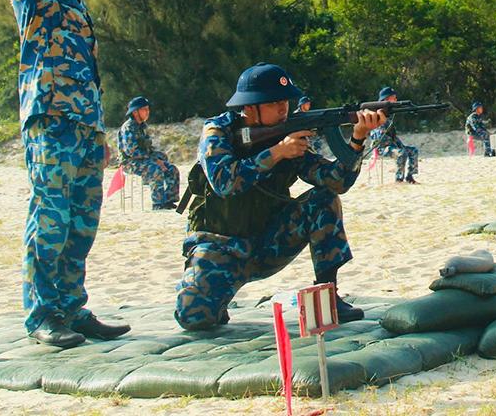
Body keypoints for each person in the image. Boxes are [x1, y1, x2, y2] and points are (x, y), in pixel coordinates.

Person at [9, 0, 128, 348]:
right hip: (51, 119)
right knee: (51, 217)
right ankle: (42, 317)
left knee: (81, 222)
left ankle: (70, 309)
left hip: (82, 123)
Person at [174, 63, 384, 330]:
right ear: (250, 107)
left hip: (268, 242)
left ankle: (328, 294)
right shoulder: (219, 132)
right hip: (221, 248)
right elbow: (224, 182)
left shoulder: (287, 134)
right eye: (273, 102)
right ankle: (216, 297)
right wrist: (276, 153)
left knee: (323, 200)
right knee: (193, 318)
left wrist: (357, 139)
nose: (283, 108)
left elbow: (336, 182)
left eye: (285, 100)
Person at [115, 96, 181, 209]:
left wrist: (158, 158)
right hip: (129, 163)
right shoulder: (128, 127)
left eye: (148, 109)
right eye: (144, 109)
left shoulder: (142, 126)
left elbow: (148, 148)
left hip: (144, 160)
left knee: (172, 169)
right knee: (155, 169)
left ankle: (169, 200)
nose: (147, 112)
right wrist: (154, 160)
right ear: (135, 112)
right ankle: (158, 204)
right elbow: (132, 152)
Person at [368, 87, 419, 182]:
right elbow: (378, 137)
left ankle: (410, 176)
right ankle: (399, 179)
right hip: (381, 148)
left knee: (413, 151)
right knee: (401, 153)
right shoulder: (378, 114)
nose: (396, 100)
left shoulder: (389, 113)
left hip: (393, 145)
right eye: (393, 98)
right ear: (386, 99)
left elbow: (392, 135)